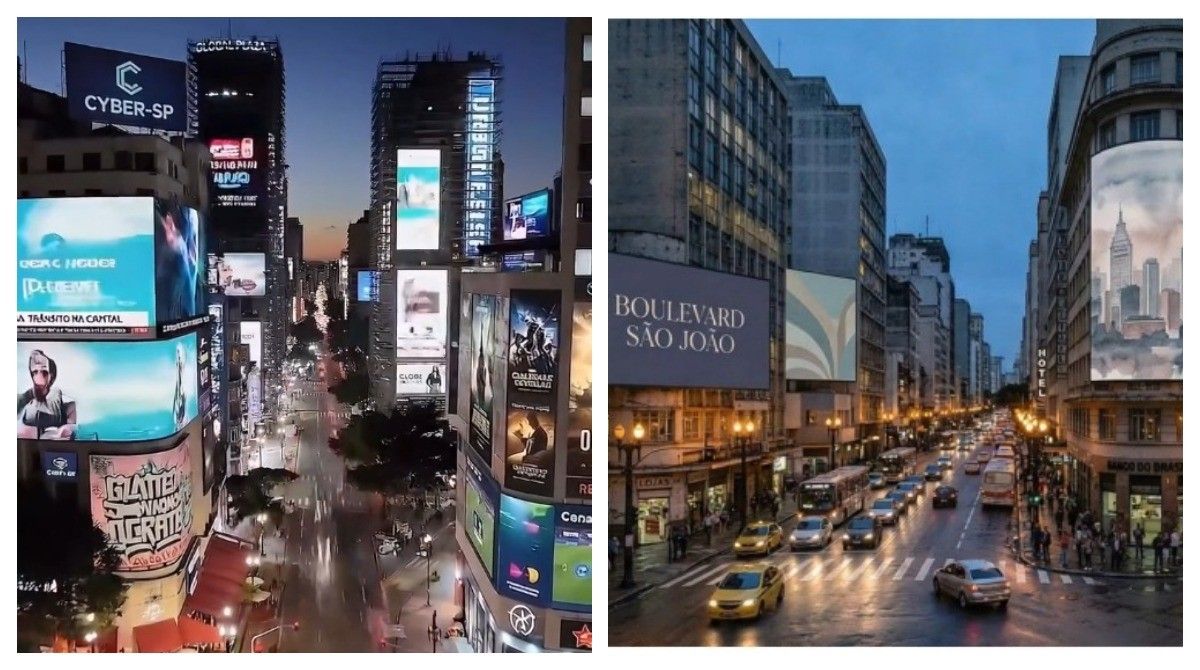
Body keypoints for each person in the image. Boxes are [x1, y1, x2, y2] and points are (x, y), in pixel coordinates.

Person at [17, 349, 77, 440]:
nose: (39, 377)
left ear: (51, 375)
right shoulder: (23, 401)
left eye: (44, 372)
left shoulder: (67, 403)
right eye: (35, 372)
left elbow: (72, 431)